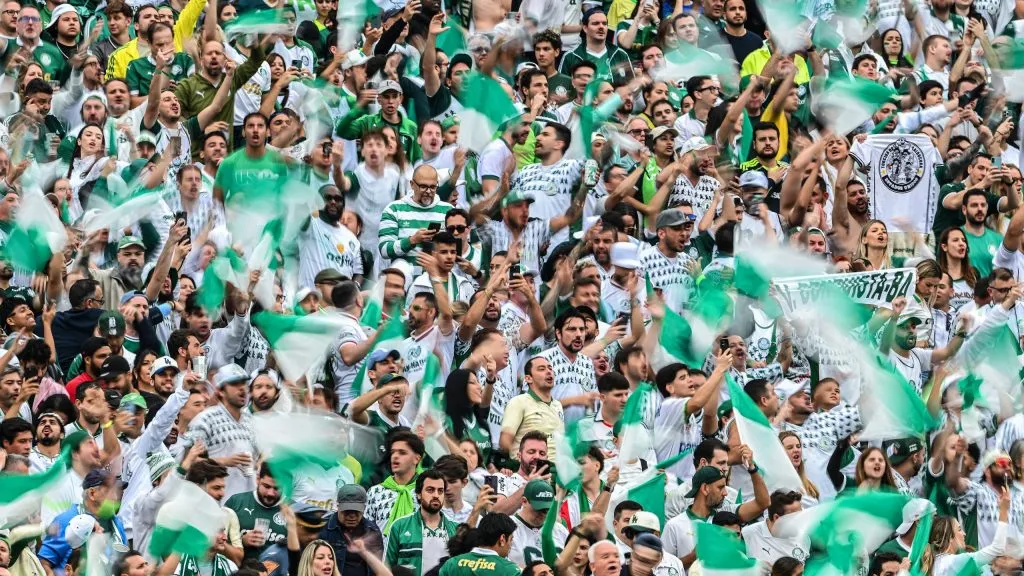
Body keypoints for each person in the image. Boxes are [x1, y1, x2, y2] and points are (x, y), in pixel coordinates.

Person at [385, 469, 459, 576]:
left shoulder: (455, 529)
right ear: (419, 494)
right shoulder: (399, 526)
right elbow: (387, 568)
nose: (436, 495)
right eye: (430, 490)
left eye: (440, 491)